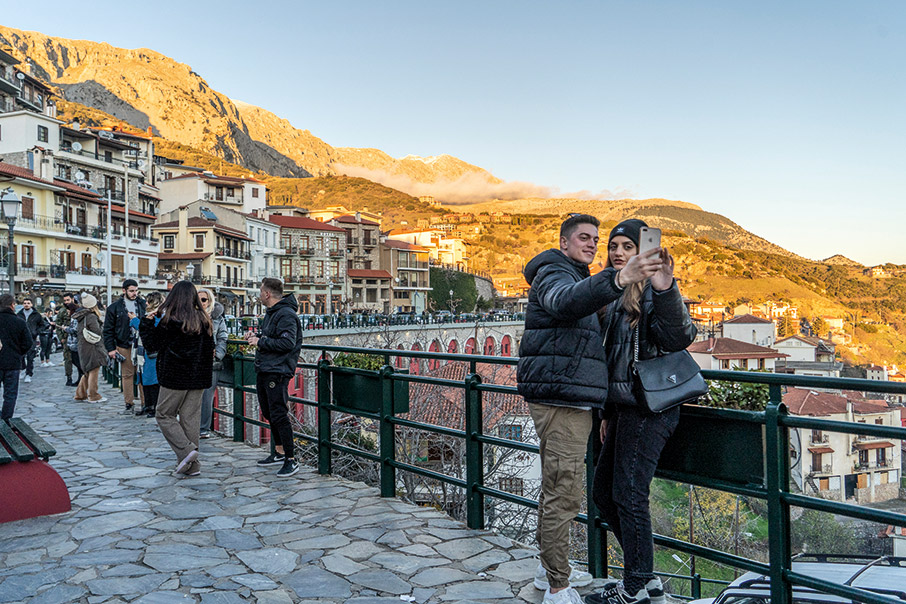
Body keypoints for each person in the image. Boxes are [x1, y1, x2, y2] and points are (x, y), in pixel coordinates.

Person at [516, 214, 663, 604]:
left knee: (561, 489)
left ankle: (549, 566)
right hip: (561, 400)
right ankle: (558, 586)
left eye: (596, 239)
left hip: (575, 399)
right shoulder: (553, 271)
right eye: (585, 238)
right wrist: (618, 279)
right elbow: (565, 303)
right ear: (564, 242)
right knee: (563, 492)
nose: (593, 244)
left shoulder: (574, 275)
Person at [587, 219, 697, 604]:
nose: (617, 253)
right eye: (613, 246)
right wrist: (605, 412)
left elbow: (680, 336)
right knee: (604, 494)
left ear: (642, 251)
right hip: (622, 409)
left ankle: (634, 586)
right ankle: (645, 576)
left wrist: (666, 287)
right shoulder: (612, 292)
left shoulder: (652, 291)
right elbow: (608, 359)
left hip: (651, 408)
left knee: (630, 494)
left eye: (627, 246)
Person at [140, 281, 214, 477]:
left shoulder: (170, 322)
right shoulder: (204, 319)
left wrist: (146, 323)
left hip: (175, 376)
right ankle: (192, 466)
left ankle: (186, 451)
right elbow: (210, 349)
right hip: (198, 376)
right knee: (190, 419)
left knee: (163, 414)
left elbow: (152, 345)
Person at [247, 277, 301, 478]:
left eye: (261, 291)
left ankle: (291, 459)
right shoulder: (272, 314)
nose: (259, 295)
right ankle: (278, 452)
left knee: (279, 413)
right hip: (266, 368)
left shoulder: (286, 315)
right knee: (269, 412)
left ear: (267, 294)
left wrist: (261, 341)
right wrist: (256, 338)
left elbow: (287, 343)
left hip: (277, 371)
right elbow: (271, 338)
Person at [103, 279, 146, 413]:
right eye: (132, 291)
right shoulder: (114, 308)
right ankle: (129, 402)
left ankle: (146, 403)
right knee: (127, 375)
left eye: (136, 290)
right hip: (124, 344)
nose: (135, 293)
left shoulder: (142, 304)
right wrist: (111, 348)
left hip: (141, 343)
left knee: (142, 374)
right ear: (124, 291)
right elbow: (108, 330)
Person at [197, 288, 228, 439]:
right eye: (198, 299)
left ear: (209, 301)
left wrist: (218, 354)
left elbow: (223, 337)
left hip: (211, 362)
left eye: (203, 299)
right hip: (194, 361)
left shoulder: (217, 319)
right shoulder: (190, 316)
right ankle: (190, 425)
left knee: (207, 396)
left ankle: (203, 428)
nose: (200, 302)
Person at [0, 294, 34, 421]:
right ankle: (6, 419)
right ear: (12, 305)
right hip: (12, 362)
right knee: (10, 394)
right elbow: (28, 343)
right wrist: (18, 353)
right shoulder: (19, 322)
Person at [131, 292, 164, 418]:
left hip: (152, 353)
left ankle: (153, 407)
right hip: (145, 352)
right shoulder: (153, 315)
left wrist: (134, 320)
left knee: (152, 380)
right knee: (146, 379)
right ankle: (148, 405)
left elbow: (145, 328)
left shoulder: (157, 316)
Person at [73, 294, 109, 403]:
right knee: (94, 369)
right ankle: (93, 395)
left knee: (87, 371)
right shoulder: (91, 316)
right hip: (92, 346)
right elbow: (97, 331)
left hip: (83, 345)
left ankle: (80, 394)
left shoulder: (81, 316)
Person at [16, 298, 46, 384]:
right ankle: (23, 368)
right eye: (24, 303)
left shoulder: (36, 315)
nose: (26, 304)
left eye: (28, 303)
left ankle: (29, 374)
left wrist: (37, 332)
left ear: (31, 304)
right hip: (21, 338)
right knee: (21, 356)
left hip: (31, 338)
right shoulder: (19, 314)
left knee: (30, 356)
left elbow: (43, 325)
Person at [56, 292, 76, 385]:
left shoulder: (78, 308)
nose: (66, 302)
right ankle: (69, 377)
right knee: (68, 359)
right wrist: (61, 338)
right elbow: (58, 324)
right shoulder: (62, 311)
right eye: (65, 300)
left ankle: (82, 376)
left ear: (72, 299)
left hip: (77, 337)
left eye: (68, 300)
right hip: (66, 337)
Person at [63, 298, 84, 387]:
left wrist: (66, 329)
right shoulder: (73, 317)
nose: (67, 313)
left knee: (77, 362)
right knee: (76, 362)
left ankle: (82, 379)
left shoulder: (75, 318)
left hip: (75, 343)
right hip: (73, 343)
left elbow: (75, 330)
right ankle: (80, 379)